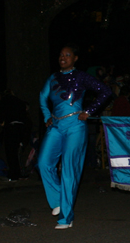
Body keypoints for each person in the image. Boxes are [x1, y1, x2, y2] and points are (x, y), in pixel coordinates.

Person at [38, 45, 111, 229]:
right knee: (43, 163)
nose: (63, 57)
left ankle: (66, 217)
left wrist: (89, 111)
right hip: (55, 126)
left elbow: (105, 91)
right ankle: (58, 200)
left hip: (75, 126)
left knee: (69, 169)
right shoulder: (53, 77)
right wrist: (46, 116)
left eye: (67, 55)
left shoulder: (81, 76)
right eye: (61, 55)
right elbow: (42, 97)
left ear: (75, 58)